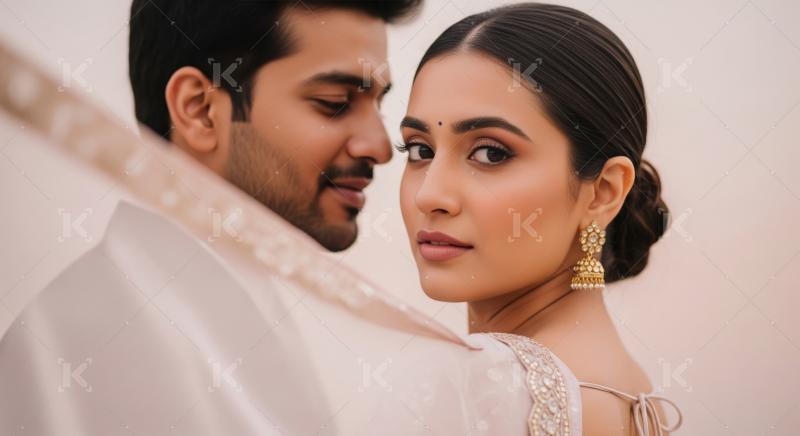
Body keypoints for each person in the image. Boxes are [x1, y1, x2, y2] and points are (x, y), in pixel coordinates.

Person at [395, 3, 683, 434]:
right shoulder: (628, 390)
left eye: (490, 153)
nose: (430, 195)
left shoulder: (491, 392)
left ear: (604, 191)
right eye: (420, 150)